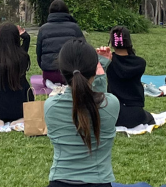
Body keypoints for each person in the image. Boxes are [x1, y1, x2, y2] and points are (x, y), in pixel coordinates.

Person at [44, 39, 120, 187]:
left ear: (62, 70)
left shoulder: (50, 107)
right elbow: (99, 101)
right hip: (99, 182)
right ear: (94, 71)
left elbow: (91, 102)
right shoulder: (112, 104)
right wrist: (102, 68)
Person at [100, 26, 152, 128]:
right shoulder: (140, 63)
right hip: (136, 113)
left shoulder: (109, 63)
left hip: (114, 113)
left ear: (111, 42)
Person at [0, 23, 32, 124]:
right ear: (16, 37)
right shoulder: (22, 57)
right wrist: (26, 37)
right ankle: (19, 120)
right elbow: (23, 51)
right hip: (20, 106)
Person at [36, 0, 83, 86]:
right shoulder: (75, 28)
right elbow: (84, 50)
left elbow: (39, 54)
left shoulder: (43, 29)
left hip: (49, 74)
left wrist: (46, 67)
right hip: (71, 73)